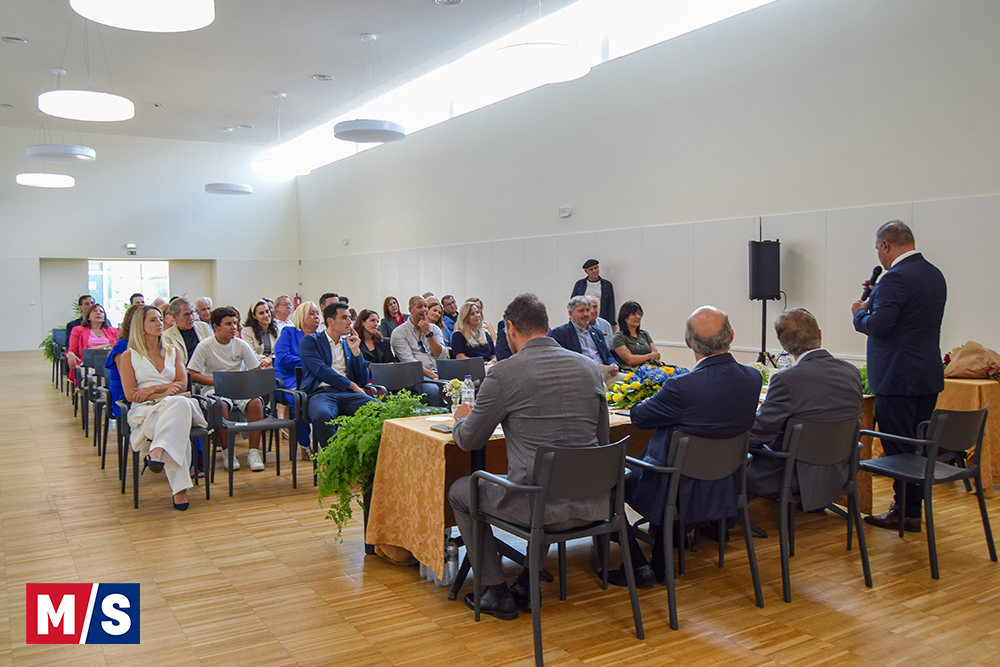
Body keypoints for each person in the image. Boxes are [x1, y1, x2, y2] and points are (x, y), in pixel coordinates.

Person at [448, 293, 610, 620]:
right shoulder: (590, 368)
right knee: (548, 475)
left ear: (510, 328)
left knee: (461, 490)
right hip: (594, 503)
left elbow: (468, 440)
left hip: (539, 507)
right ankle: (525, 581)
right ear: (547, 326)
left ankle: (495, 591)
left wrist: (461, 418)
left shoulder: (504, 373)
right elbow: (603, 439)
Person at [611, 306, 761, 587]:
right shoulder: (753, 379)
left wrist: (646, 402)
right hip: (726, 483)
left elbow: (640, 417)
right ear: (731, 336)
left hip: (675, 487)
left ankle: (643, 560)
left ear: (688, 343)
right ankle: (667, 546)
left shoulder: (681, 387)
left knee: (616, 474)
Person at [852, 220, 946, 532]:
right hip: (926, 374)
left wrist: (860, 312)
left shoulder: (894, 278)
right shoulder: (934, 274)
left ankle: (904, 512)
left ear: (886, 245)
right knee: (917, 445)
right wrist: (876, 299)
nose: (879, 255)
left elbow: (879, 326)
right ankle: (913, 509)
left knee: (899, 448)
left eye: (878, 249)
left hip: (897, 377)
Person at [747, 308, 863, 508]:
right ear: (819, 334)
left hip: (795, 474)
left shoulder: (787, 380)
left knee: (735, 459)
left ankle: (725, 521)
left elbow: (759, 432)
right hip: (839, 471)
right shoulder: (851, 371)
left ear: (783, 345)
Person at [118, 305, 208, 511]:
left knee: (179, 404)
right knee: (178, 422)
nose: (159, 323)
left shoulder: (173, 351)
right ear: (140, 326)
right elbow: (131, 395)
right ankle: (179, 491)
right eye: (153, 320)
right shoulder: (129, 356)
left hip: (174, 405)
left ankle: (157, 452)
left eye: (160, 319)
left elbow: (182, 385)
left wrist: (154, 389)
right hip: (146, 411)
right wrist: (165, 392)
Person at [187, 307, 266, 472]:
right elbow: (192, 374)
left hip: (238, 386)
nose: (234, 328)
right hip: (214, 387)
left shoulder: (241, 345)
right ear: (216, 327)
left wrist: (243, 382)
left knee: (256, 402)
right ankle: (227, 452)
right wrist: (218, 382)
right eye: (228, 324)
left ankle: (253, 452)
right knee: (220, 405)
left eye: (235, 323)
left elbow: (255, 370)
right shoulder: (205, 346)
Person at [299, 301, 376, 448]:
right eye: (344, 318)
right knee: (322, 416)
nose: (350, 322)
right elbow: (320, 370)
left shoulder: (348, 344)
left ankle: (368, 455)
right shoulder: (310, 341)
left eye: (349, 318)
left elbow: (363, 379)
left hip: (348, 395)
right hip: (321, 393)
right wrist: (351, 385)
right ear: (331, 321)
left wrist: (356, 352)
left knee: (381, 410)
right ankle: (334, 458)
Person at [274, 301, 322, 457]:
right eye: (311, 314)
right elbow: (283, 358)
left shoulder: (321, 337)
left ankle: (327, 443)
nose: (316, 317)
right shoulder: (289, 332)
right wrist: (311, 362)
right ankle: (304, 444)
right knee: (301, 398)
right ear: (301, 317)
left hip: (313, 379)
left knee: (329, 396)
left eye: (317, 313)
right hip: (288, 379)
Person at [548, 296, 625, 386]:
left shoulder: (597, 332)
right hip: (582, 376)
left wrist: (613, 364)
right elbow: (561, 361)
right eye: (581, 311)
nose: (586, 314)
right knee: (602, 387)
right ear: (571, 313)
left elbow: (607, 355)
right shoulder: (560, 333)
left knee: (630, 381)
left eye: (587, 310)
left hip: (604, 373)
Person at [390, 295, 447, 406]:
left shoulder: (434, 329)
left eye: (425, 306)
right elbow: (410, 362)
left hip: (438, 371)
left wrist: (428, 333)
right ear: (410, 310)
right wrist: (434, 377)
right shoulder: (399, 332)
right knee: (433, 390)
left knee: (461, 385)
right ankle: (433, 415)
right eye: (420, 307)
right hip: (415, 376)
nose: (424, 310)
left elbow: (441, 355)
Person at [105, 304, 142, 421]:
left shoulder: (148, 345)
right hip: (124, 396)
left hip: (143, 391)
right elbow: (126, 378)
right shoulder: (123, 345)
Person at [68, 303, 119, 385]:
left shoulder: (113, 331)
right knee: (96, 374)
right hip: (88, 364)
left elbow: (119, 348)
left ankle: (95, 387)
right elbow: (72, 349)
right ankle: (100, 389)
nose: (99, 313)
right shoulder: (78, 330)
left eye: (101, 312)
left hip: (108, 362)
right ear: (88, 316)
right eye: (95, 311)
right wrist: (70, 354)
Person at [610, 301, 661, 371]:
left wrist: (637, 357)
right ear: (625, 317)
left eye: (639, 314)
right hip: (630, 371)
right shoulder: (619, 337)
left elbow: (656, 356)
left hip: (650, 369)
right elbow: (630, 360)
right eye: (633, 314)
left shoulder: (645, 334)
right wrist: (650, 355)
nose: (638, 317)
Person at [162, 298, 213, 365]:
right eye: (186, 315)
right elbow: (171, 363)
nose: (191, 318)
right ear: (174, 317)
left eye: (192, 313)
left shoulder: (204, 327)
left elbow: (213, 350)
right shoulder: (167, 336)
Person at [571, 259, 616, 327]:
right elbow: (573, 304)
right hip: (582, 321)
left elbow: (610, 306)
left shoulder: (606, 285)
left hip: (601, 320)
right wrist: (573, 319)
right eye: (591, 269)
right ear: (586, 271)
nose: (594, 271)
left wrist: (611, 324)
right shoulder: (579, 284)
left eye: (596, 268)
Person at [241, 300, 278, 368]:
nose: (266, 315)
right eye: (261, 313)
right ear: (254, 316)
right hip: (258, 365)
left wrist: (271, 358)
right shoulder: (247, 331)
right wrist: (266, 360)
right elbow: (251, 354)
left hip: (275, 364)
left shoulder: (278, 329)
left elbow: (281, 351)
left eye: (267, 311)